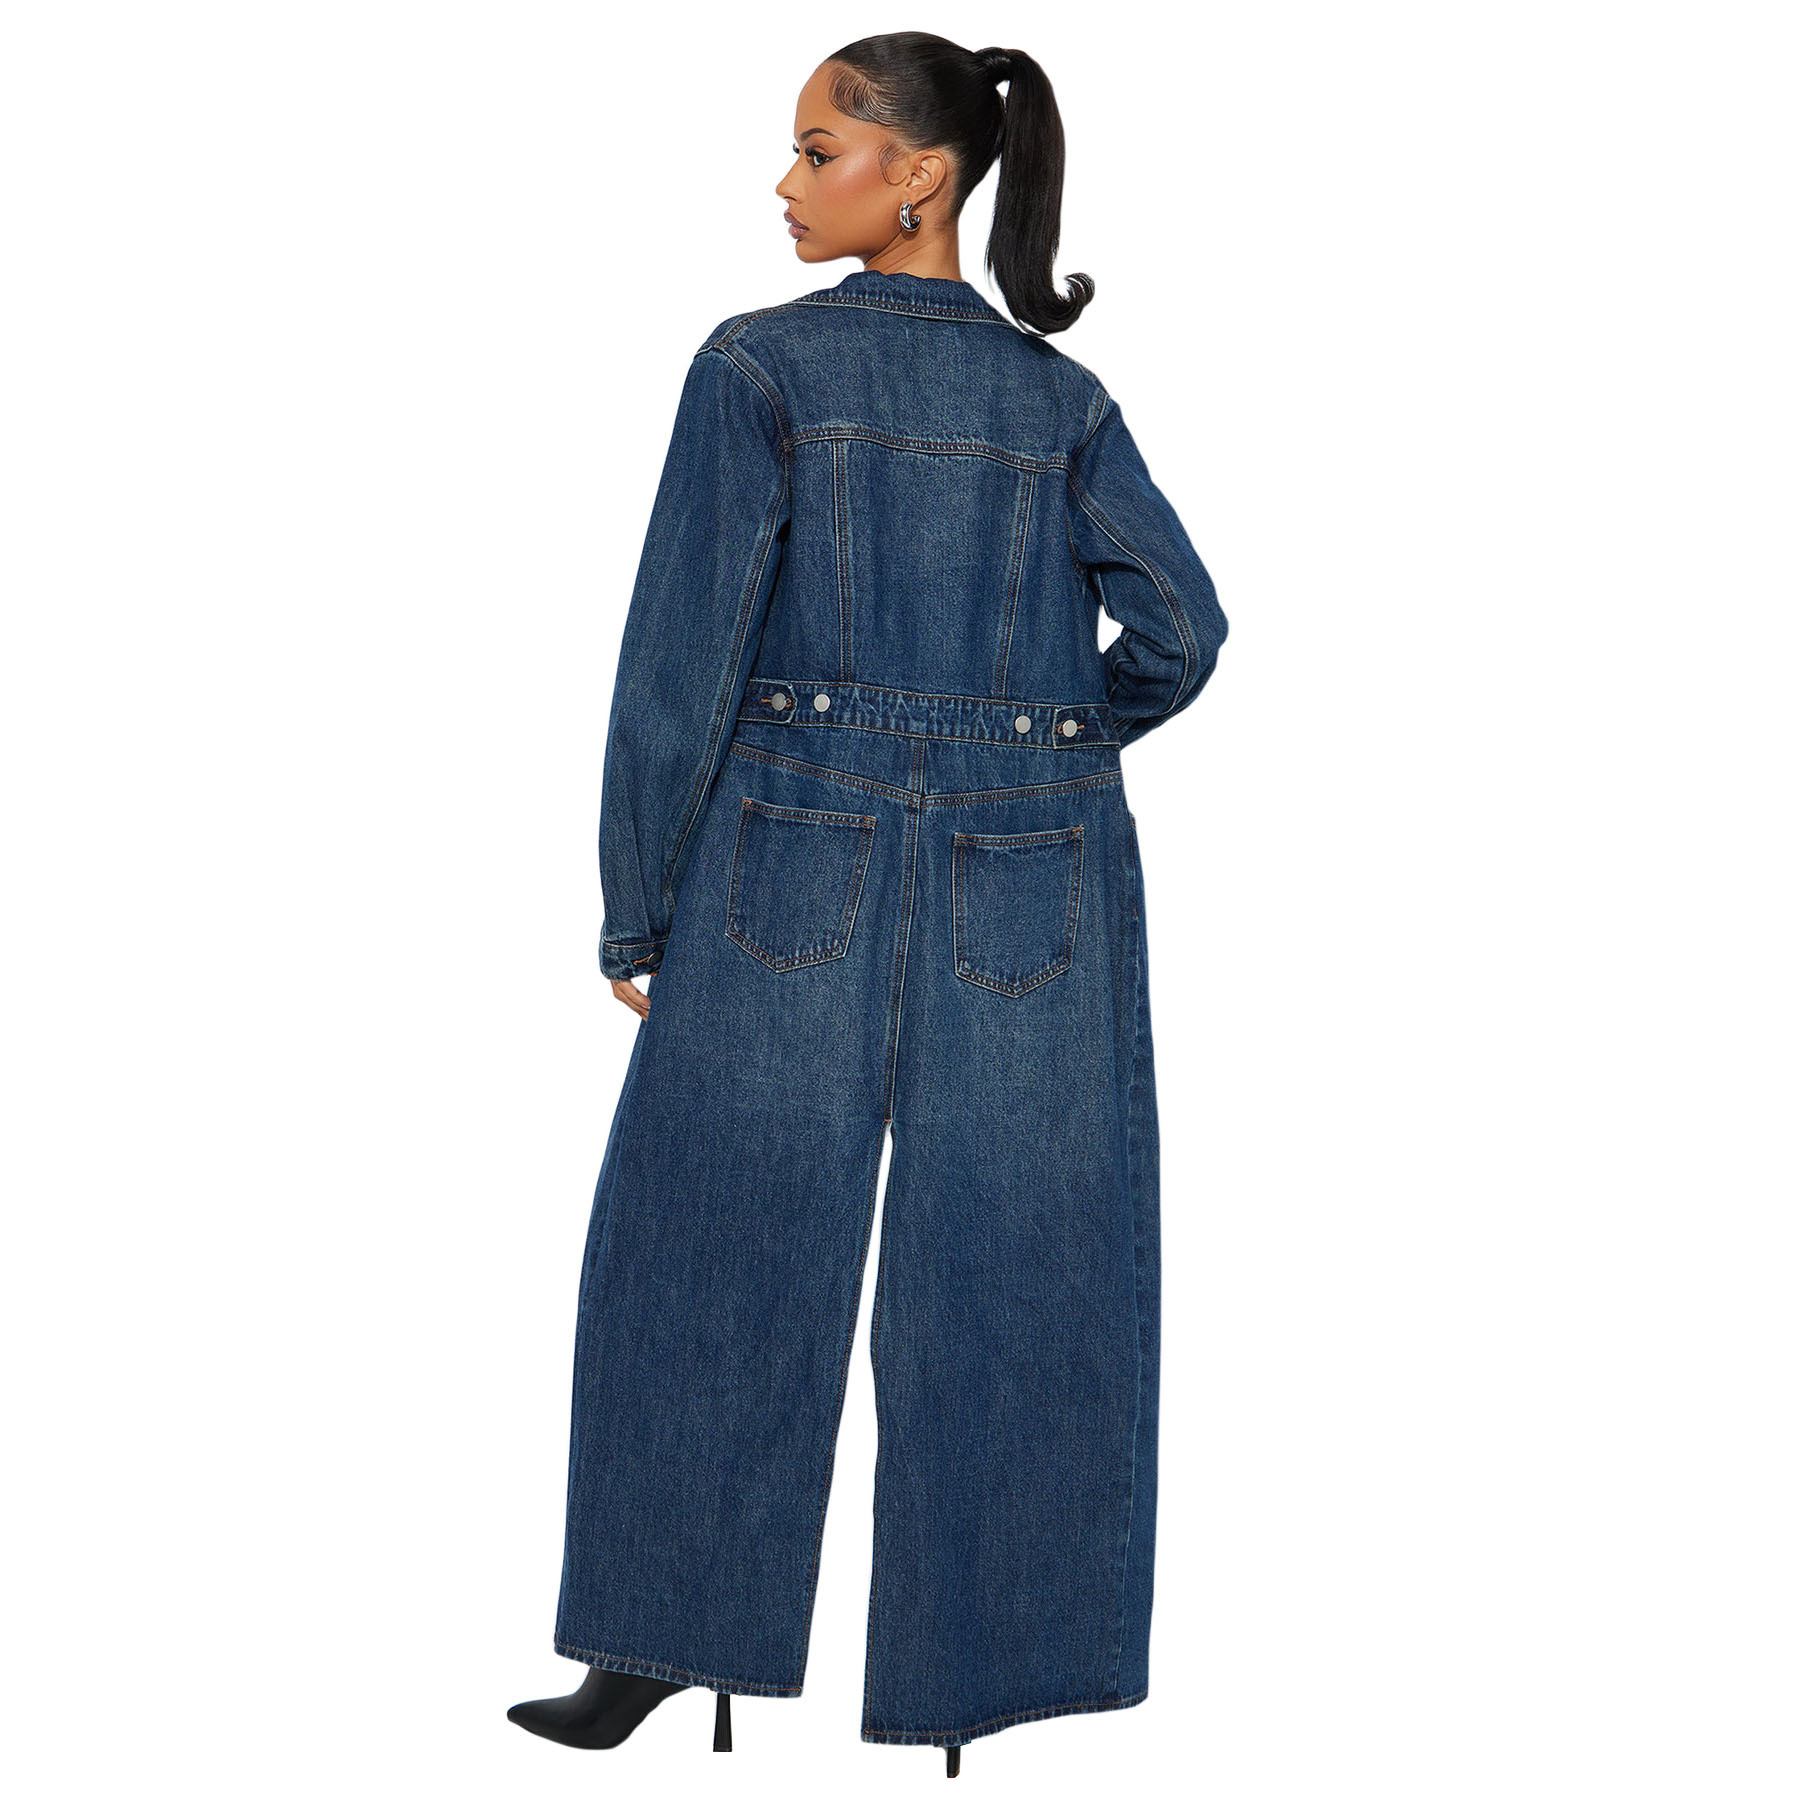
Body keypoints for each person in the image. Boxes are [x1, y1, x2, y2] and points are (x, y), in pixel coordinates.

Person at [508, 31, 1228, 1776]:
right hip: (1034, 858)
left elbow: (680, 659)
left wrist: (638, 903)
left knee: (715, 1237)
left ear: (921, 179)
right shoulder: (1061, 403)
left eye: (817, 149)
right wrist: (1041, 742)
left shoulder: (757, 367)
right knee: (1026, 1251)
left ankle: (660, 1651)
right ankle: (988, 1678)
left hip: (785, 845)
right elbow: (1185, 630)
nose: (785, 182)